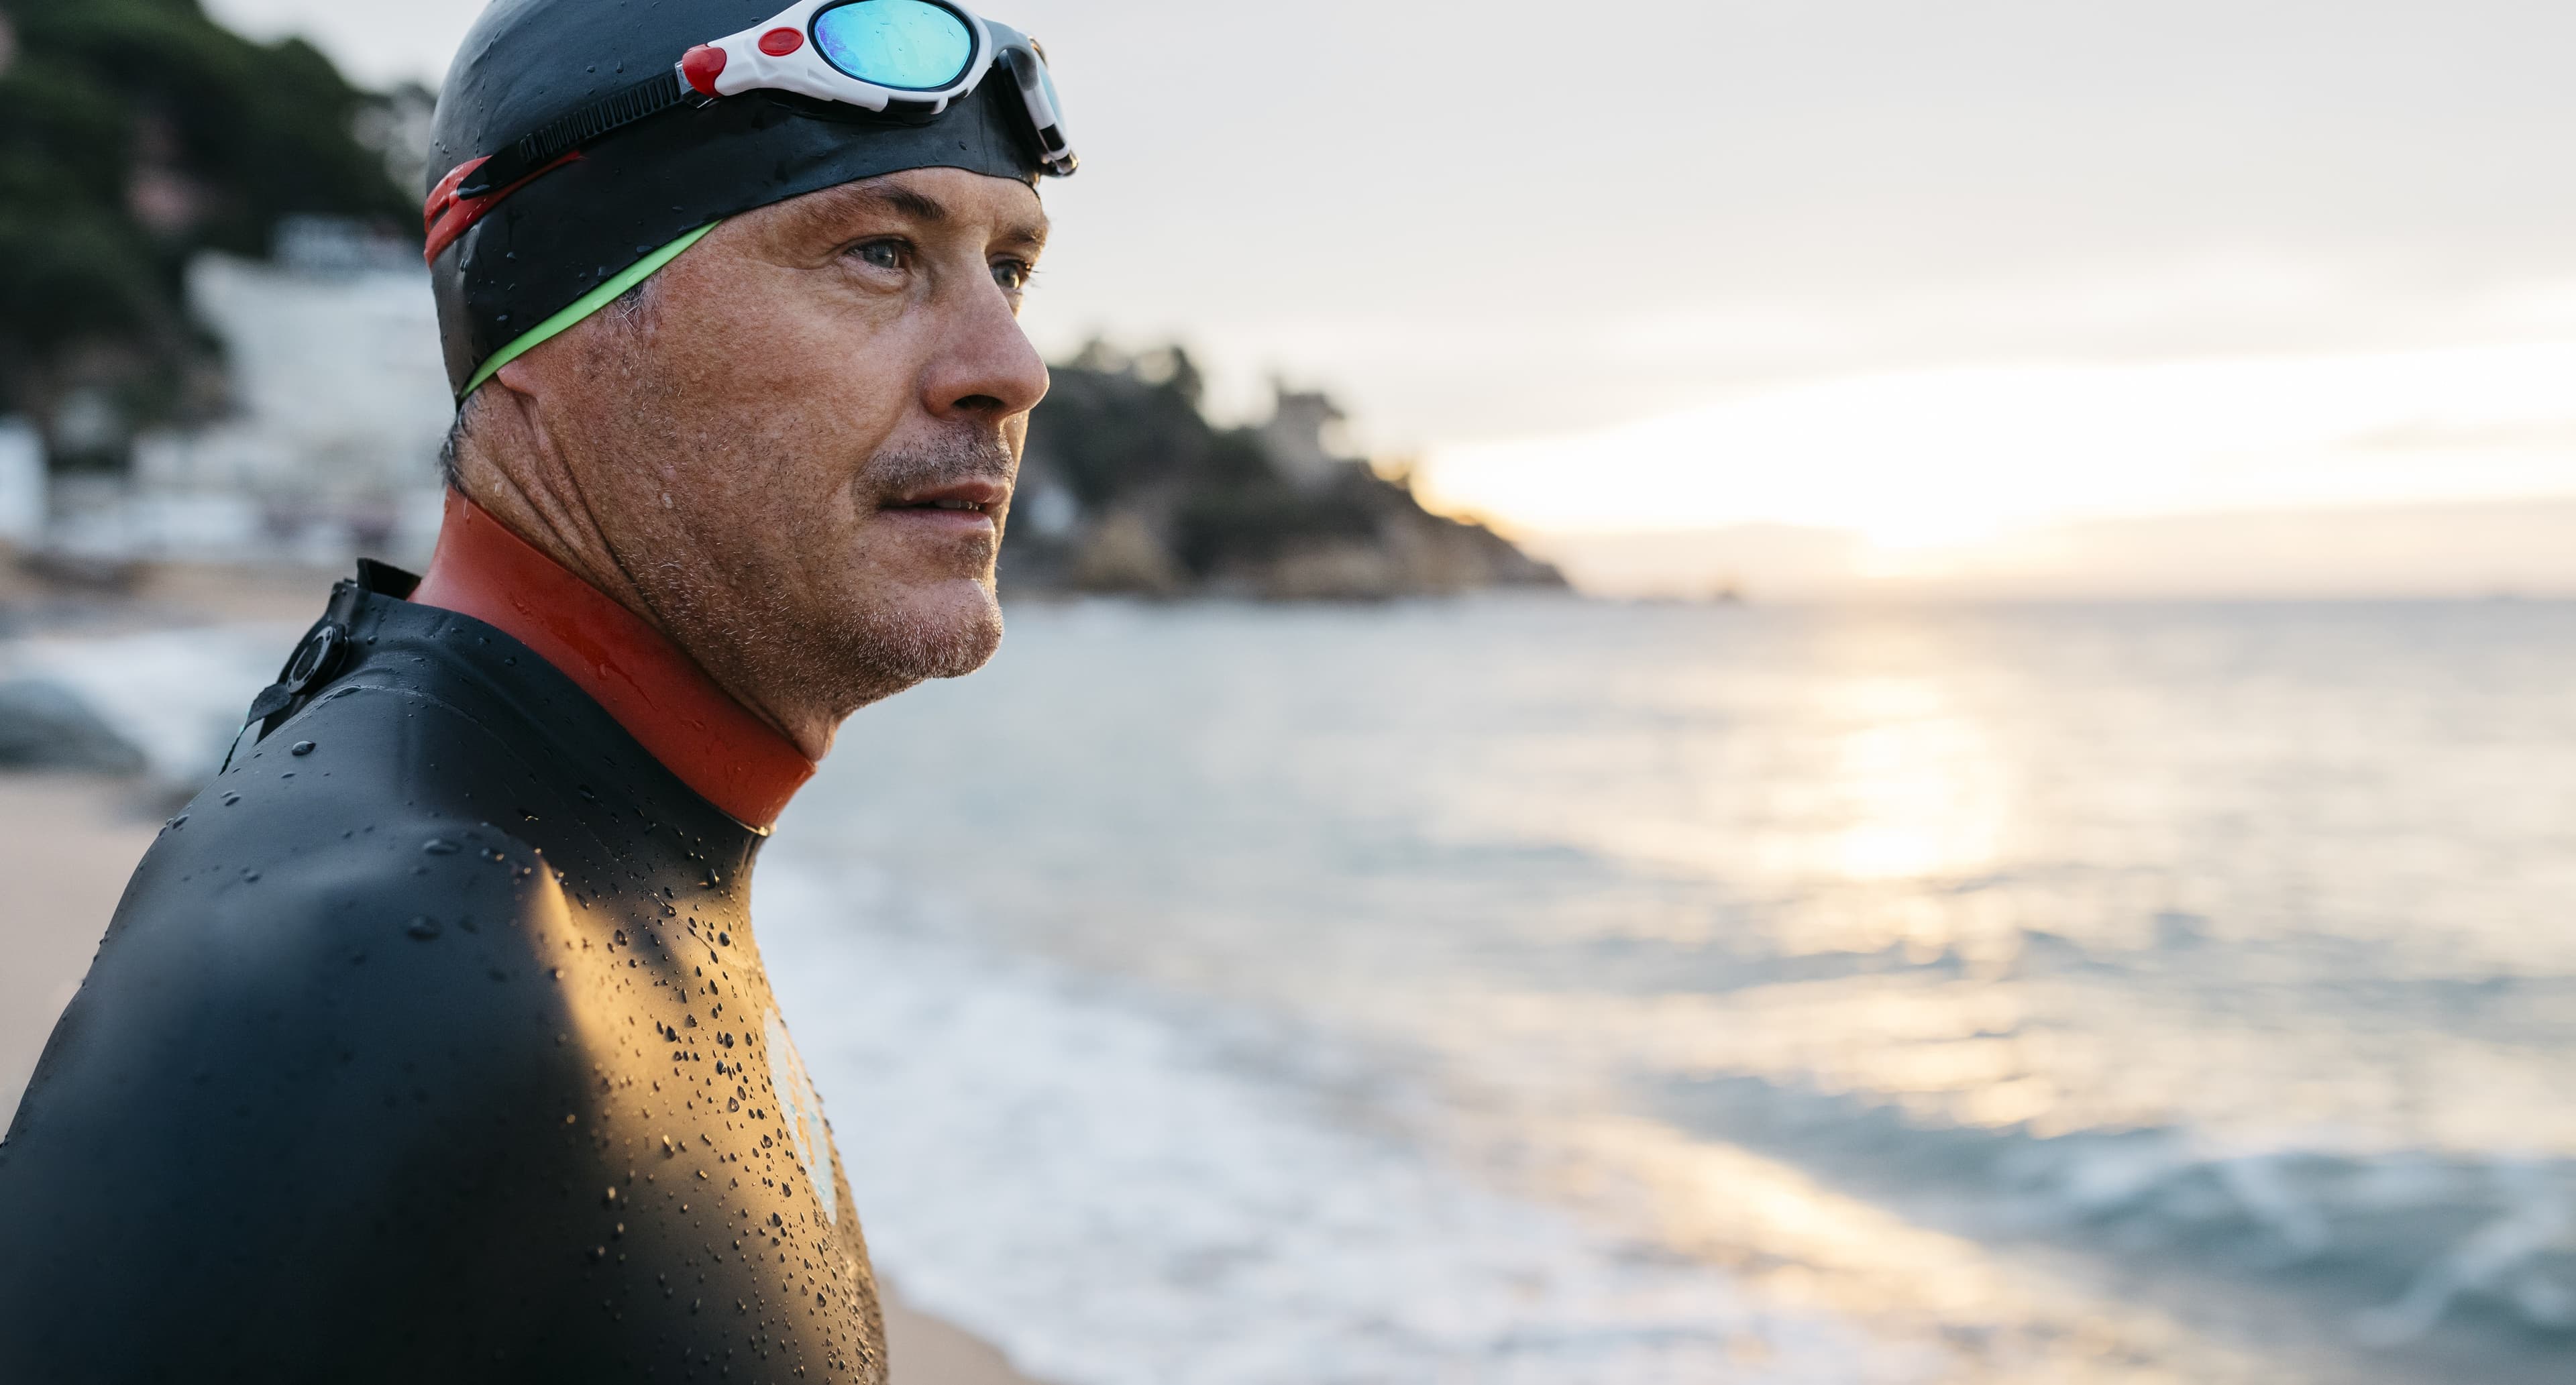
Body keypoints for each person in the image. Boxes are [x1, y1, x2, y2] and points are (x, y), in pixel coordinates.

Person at [0, 1, 1075, 1379]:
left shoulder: (577, 855)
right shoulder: (388, 960)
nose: (1011, 367)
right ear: (555, 324)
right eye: (879, 253)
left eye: (1013, 268)